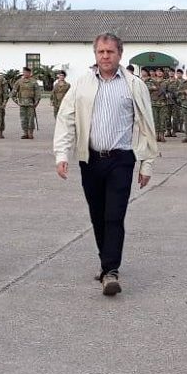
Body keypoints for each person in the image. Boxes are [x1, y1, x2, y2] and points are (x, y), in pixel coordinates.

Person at [53, 32, 157, 296]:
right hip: (91, 160)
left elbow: (146, 125)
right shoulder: (82, 84)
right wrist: (61, 154)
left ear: (120, 54)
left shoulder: (133, 85)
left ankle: (111, 271)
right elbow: (66, 119)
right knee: (98, 215)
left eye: (110, 52)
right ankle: (105, 262)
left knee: (114, 215)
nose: (105, 56)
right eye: (101, 52)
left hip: (121, 159)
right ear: (95, 54)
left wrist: (146, 164)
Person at [11, 66, 41, 139]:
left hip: (31, 104)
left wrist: (36, 103)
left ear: (30, 73)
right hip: (22, 104)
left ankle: (30, 133)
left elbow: (38, 94)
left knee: (31, 119)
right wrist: (17, 102)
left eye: (28, 72)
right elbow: (13, 94)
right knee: (23, 119)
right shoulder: (19, 82)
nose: (26, 73)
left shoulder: (34, 82)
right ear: (23, 73)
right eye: (25, 72)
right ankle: (25, 133)